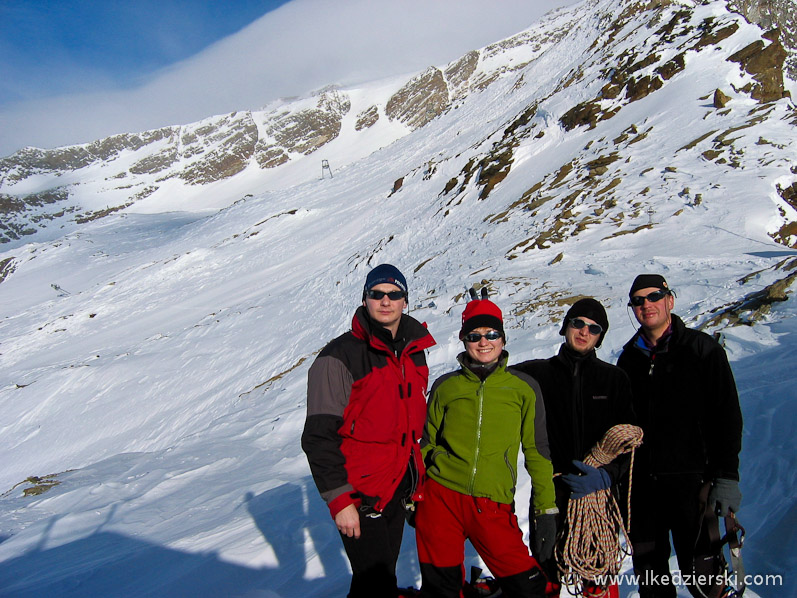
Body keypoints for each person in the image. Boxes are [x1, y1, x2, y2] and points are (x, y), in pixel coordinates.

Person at [301, 264, 436, 598]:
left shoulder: (413, 354)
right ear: (365, 299)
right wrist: (339, 500)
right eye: (377, 294)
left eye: (394, 294)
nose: (385, 301)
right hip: (361, 496)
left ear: (405, 301)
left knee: (375, 579)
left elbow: (410, 426)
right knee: (377, 582)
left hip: (396, 490)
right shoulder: (338, 357)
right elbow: (318, 437)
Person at [415, 289, 555, 598]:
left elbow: (537, 452)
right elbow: (427, 442)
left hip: (491, 504)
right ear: (464, 340)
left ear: (503, 339)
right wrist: (418, 493)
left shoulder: (523, 389)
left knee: (528, 587)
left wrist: (546, 508)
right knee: (441, 589)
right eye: (474, 335)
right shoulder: (446, 387)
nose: (484, 341)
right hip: (441, 500)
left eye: (492, 333)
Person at [617, 274, 743, 598]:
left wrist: (726, 477)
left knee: (705, 576)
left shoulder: (702, 351)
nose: (646, 305)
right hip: (643, 492)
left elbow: (727, 416)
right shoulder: (628, 360)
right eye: (638, 300)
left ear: (670, 300)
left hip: (694, 488)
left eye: (654, 296)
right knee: (652, 580)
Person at [514, 298, 635, 597]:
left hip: (599, 495)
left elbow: (629, 440)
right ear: (566, 326)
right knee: (547, 568)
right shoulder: (536, 375)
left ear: (600, 336)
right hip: (550, 491)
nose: (584, 331)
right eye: (577, 323)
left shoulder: (614, 380)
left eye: (594, 328)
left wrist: (608, 475)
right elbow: (490, 376)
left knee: (598, 569)